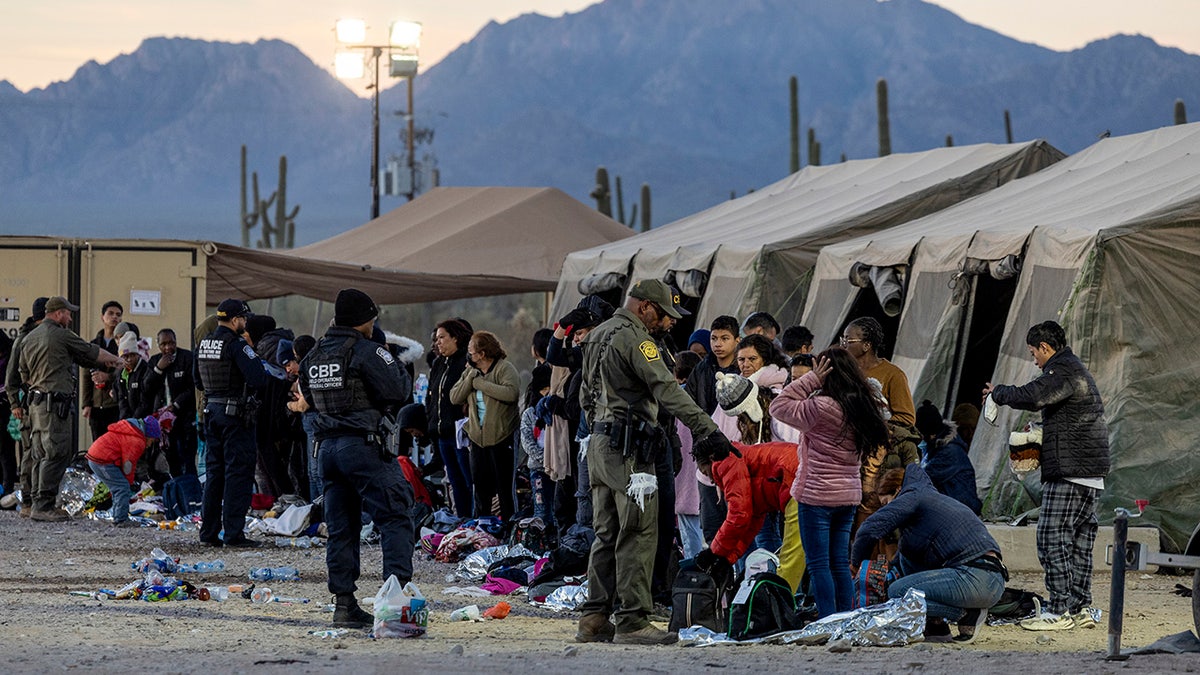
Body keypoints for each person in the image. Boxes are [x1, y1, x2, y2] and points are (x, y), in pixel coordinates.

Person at [575, 278, 735, 646]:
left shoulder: (598, 334)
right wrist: (707, 428)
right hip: (629, 450)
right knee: (638, 533)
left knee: (605, 534)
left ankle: (595, 617)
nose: (668, 323)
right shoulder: (637, 340)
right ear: (645, 306)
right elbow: (666, 389)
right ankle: (632, 620)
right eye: (663, 315)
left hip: (599, 445)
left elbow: (585, 394)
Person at [297, 288, 415, 629]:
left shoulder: (314, 355)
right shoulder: (367, 351)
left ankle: (344, 606)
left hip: (327, 451)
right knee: (395, 514)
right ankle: (395, 605)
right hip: (363, 446)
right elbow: (398, 390)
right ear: (365, 320)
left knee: (341, 528)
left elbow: (309, 394)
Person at [984, 320, 1110, 631]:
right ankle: (1080, 608)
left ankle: (1057, 610)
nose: (1034, 360)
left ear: (1045, 347)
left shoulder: (1062, 369)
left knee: (1051, 538)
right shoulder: (1075, 369)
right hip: (1091, 472)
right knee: (1079, 542)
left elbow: (1034, 395)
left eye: (1033, 353)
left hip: (1069, 472)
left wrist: (998, 393)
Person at [770, 349, 890, 618]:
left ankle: (827, 620)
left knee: (819, 565)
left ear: (826, 372)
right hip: (847, 497)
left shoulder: (820, 407)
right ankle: (845, 618)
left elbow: (778, 406)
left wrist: (811, 379)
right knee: (839, 563)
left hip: (816, 496)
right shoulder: (861, 405)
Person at [852, 466, 1007, 644]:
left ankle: (967, 614)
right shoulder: (928, 501)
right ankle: (937, 628)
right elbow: (907, 559)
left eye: (887, 504)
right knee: (906, 566)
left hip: (977, 577)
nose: (888, 509)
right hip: (988, 576)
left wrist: (856, 565)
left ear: (897, 491)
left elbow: (869, 529)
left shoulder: (913, 496)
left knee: (898, 592)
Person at [17, 296, 123, 521]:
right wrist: (117, 360)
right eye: (68, 313)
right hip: (54, 405)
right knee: (56, 452)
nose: (70, 317)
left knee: (39, 453)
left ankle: (35, 501)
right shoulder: (61, 334)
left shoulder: (30, 337)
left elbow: (23, 372)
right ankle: (44, 506)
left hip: (35, 405)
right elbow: (91, 351)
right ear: (57, 314)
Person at [194, 298, 269, 547]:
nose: (245, 324)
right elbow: (258, 378)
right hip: (235, 416)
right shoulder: (236, 345)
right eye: (244, 319)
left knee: (214, 474)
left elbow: (197, 380)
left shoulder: (204, 344)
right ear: (235, 320)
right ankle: (234, 534)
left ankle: (208, 533)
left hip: (211, 412)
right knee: (238, 473)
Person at [692, 441, 804, 591]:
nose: (711, 480)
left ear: (711, 460)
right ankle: (834, 610)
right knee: (829, 558)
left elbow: (739, 515)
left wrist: (714, 553)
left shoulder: (727, 463)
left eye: (705, 472)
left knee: (791, 560)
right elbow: (750, 523)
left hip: (794, 479)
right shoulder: (739, 458)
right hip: (801, 472)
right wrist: (727, 559)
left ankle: (779, 606)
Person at [450, 330, 521, 520]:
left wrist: (480, 384)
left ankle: (508, 528)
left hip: (501, 437)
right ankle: (482, 529)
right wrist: (470, 378)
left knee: (505, 489)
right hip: (478, 441)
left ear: (482, 353)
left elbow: (511, 394)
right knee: (480, 489)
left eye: (471, 352)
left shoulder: (504, 369)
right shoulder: (471, 372)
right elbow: (455, 397)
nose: (469, 355)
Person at [426, 318, 473, 517]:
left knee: (468, 479)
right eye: (437, 338)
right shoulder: (438, 364)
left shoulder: (466, 363)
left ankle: (476, 521)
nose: (438, 343)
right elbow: (432, 396)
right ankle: (462, 521)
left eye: (442, 337)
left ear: (455, 338)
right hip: (442, 433)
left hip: (461, 432)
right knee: (454, 481)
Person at [4, 297, 47, 514]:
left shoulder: (43, 336)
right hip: (26, 404)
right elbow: (12, 376)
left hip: (39, 404)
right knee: (29, 451)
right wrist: (15, 403)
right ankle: (29, 501)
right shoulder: (24, 339)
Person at [86, 415, 161, 526]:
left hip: (97, 456)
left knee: (119, 487)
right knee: (121, 487)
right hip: (101, 460)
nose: (150, 444)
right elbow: (128, 466)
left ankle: (118, 516)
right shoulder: (137, 441)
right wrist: (129, 484)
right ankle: (121, 519)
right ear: (149, 435)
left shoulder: (131, 430)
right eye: (152, 440)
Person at [143, 328, 197, 477]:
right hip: (163, 423)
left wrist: (176, 405)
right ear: (158, 345)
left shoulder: (187, 358)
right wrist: (159, 369)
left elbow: (192, 387)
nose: (168, 348)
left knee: (187, 458)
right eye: (164, 344)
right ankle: (174, 491)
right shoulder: (155, 361)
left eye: (171, 343)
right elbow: (147, 388)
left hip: (184, 418)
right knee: (170, 459)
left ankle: (190, 494)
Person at [914, 400, 981, 514]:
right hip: (955, 506)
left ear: (931, 434)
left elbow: (924, 477)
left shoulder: (950, 451)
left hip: (961, 510)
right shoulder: (938, 446)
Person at [83, 300, 123, 443]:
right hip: (96, 403)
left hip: (114, 403)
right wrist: (87, 403)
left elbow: (126, 370)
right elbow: (86, 375)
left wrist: (109, 377)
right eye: (110, 314)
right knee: (97, 444)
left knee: (113, 443)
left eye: (118, 315)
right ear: (102, 317)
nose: (114, 318)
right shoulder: (93, 344)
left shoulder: (122, 345)